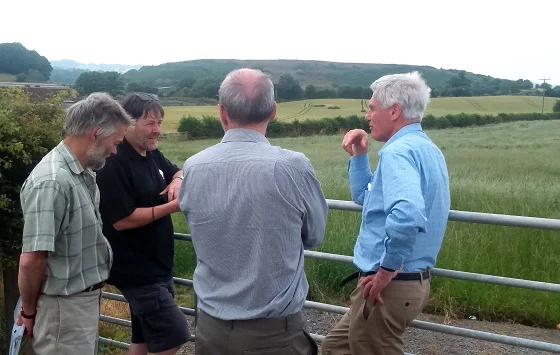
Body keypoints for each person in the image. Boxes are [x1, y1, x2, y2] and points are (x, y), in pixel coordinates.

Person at [178, 68, 328, 355]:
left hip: (211, 331)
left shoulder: (194, 166)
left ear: (222, 113)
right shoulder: (292, 167)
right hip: (274, 337)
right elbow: (315, 235)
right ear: (273, 111)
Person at [322, 72, 451, 355]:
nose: (367, 116)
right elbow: (367, 198)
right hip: (403, 283)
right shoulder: (426, 149)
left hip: (388, 286)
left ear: (394, 111)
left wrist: (386, 270)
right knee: (334, 348)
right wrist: (359, 156)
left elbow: (407, 215)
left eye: (371, 108)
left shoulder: (398, 153)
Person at [17, 92, 133, 355]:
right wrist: (28, 312)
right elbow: (32, 259)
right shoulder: (53, 182)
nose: (115, 150)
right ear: (95, 133)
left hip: (78, 305)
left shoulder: (82, 173)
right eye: (114, 142)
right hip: (64, 310)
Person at [96, 92, 189, 355]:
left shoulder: (150, 153)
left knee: (143, 340)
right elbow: (122, 220)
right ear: (128, 123)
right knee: (175, 333)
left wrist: (177, 181)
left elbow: (178, 169)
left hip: (156, 266)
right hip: (137, 271)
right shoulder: (114, 162)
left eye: (159, 122)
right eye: (150, 123)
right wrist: (172, 207)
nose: (157, 130)